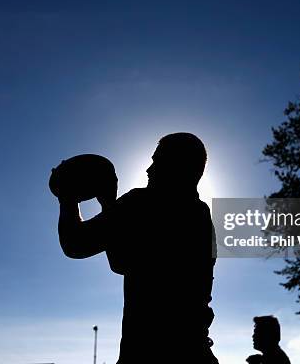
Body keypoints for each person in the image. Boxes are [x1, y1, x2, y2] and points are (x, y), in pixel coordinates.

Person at [53, 132, 219, 364]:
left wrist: (67, 197)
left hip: (146, 351)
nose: (148, 170)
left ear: (177, 166)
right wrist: (108, 203)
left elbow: (75, 244)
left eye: (157, 161)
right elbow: (122, 261)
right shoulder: (202, 217)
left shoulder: (141, 202)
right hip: (192, 350)